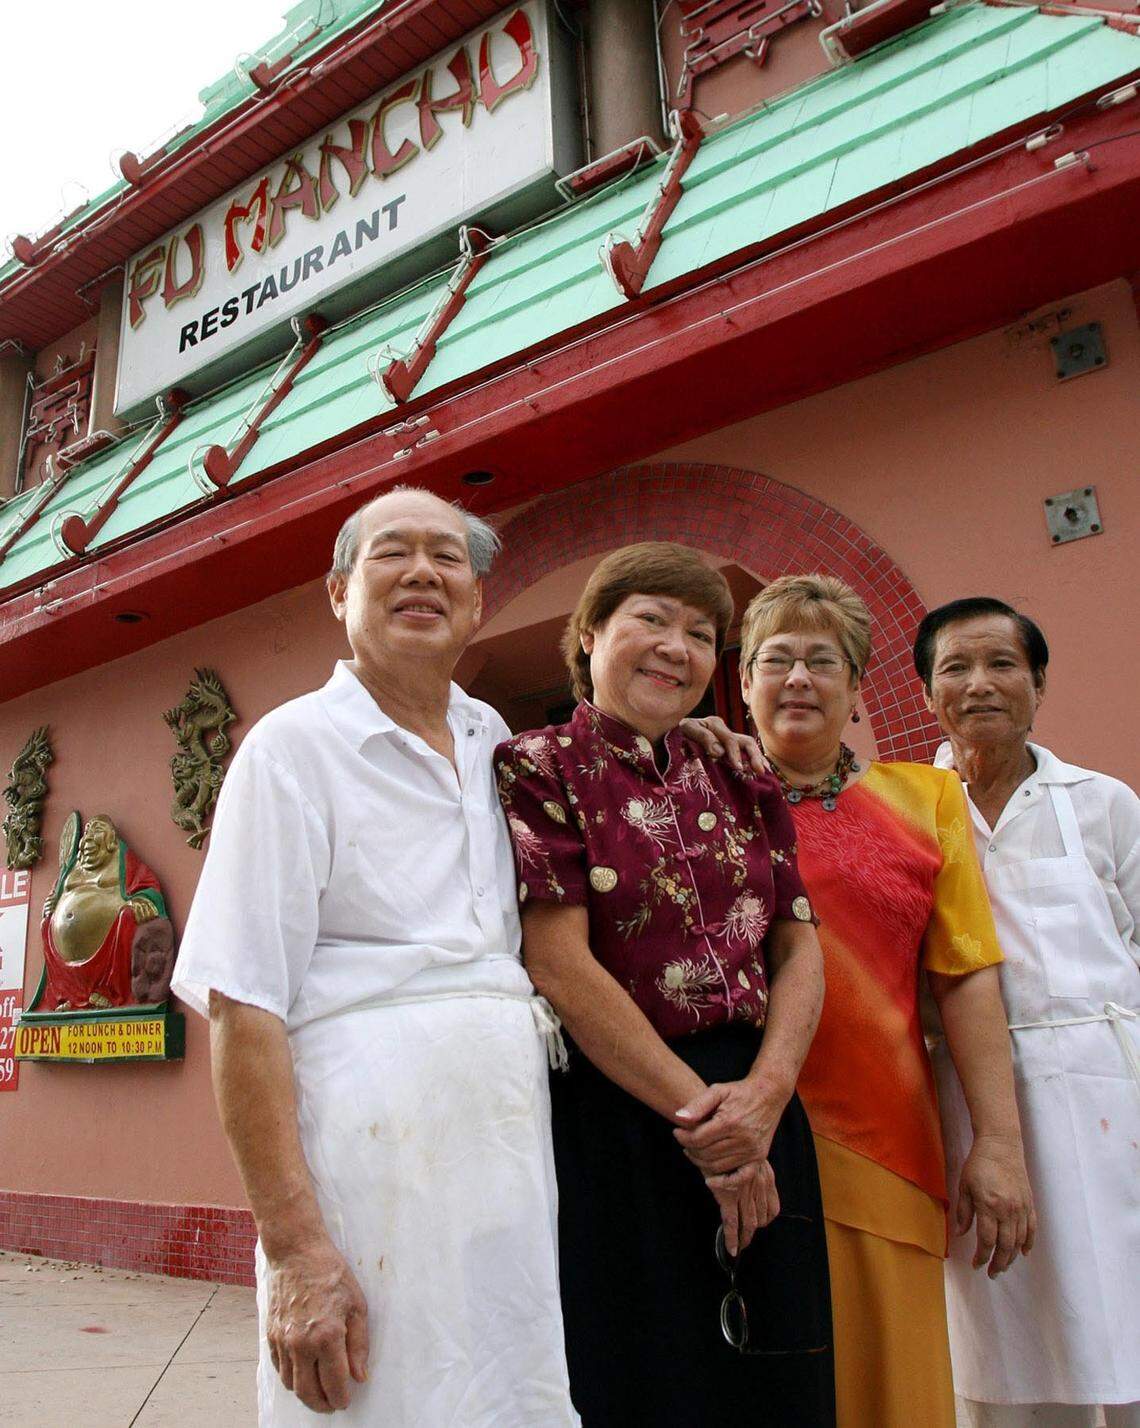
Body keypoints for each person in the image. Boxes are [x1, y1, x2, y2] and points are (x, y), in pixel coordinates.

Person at [171, 487, 580, 1426]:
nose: (424, 573)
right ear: (337, 593)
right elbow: (244, 1007)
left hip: (505, 1155)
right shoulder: (291, 751)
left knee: (505, 1393)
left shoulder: (500, 745)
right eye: (392, 553)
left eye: (448, 558)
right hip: (363, 1168)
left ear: (477, 602)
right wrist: (296, 1251)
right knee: (375, 1397)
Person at [495, 542, 835, 1428]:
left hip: (763, 1103)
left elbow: (798, 946)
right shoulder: (537, 767)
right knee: (648, 1375)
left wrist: (763, 1099)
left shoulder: (740, 769)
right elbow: (560, 963)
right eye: (650, 618)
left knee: (781, 1373)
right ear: (590, 634)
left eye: (699, 632)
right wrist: (711, 1129)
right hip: (626, 1112)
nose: (676, 647)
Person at [738, 574, 1035, 1428]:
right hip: (742, 1135)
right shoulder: (704, 798)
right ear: (745, 682)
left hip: (888, 1136)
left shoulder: (926, 799)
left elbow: (968, 975)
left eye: (821, 661)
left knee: (894, 1390)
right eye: (775, 659)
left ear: (858, 688)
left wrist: (999, 1144)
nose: (798, 677)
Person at [916, 596, 1140, 1428]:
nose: (980, 685)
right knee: (997, 1335)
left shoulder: (1103, 805)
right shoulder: (911, 812)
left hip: (1111, 1101)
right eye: (956, 669)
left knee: (1121, 1320)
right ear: (927, 694)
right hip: (973, 1106)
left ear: (1038, 683)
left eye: (1002, 665)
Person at [40, 812, 169, 1011]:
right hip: (65, 950)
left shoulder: (123, 860)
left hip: (110, 937)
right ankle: (69, 995)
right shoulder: (73, 867)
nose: (89, 837)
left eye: (97, 830)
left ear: (111, 839)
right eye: (87, 832)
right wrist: (51, 903)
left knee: (127, 917)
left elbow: (148, 886)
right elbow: (56, 893)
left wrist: (143, 900)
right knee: (45, 924)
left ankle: (109, 992)